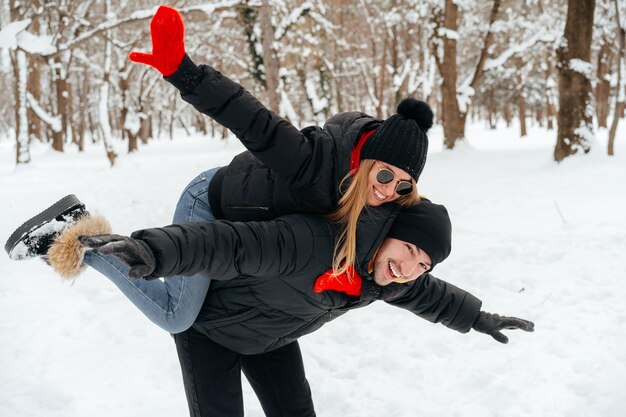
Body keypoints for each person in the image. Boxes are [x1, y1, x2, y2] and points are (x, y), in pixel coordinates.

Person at [5, 195, 534, 416]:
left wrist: (477, 317)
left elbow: (428, 294)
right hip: (210, 331)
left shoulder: (388, 276)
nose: (411, 267)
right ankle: (85, 237)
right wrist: (155, 249)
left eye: (425, 263)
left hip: (271, 337)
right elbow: (228, 245)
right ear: (387, 235)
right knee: (172, 313)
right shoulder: (314, 244)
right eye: (410, 251)